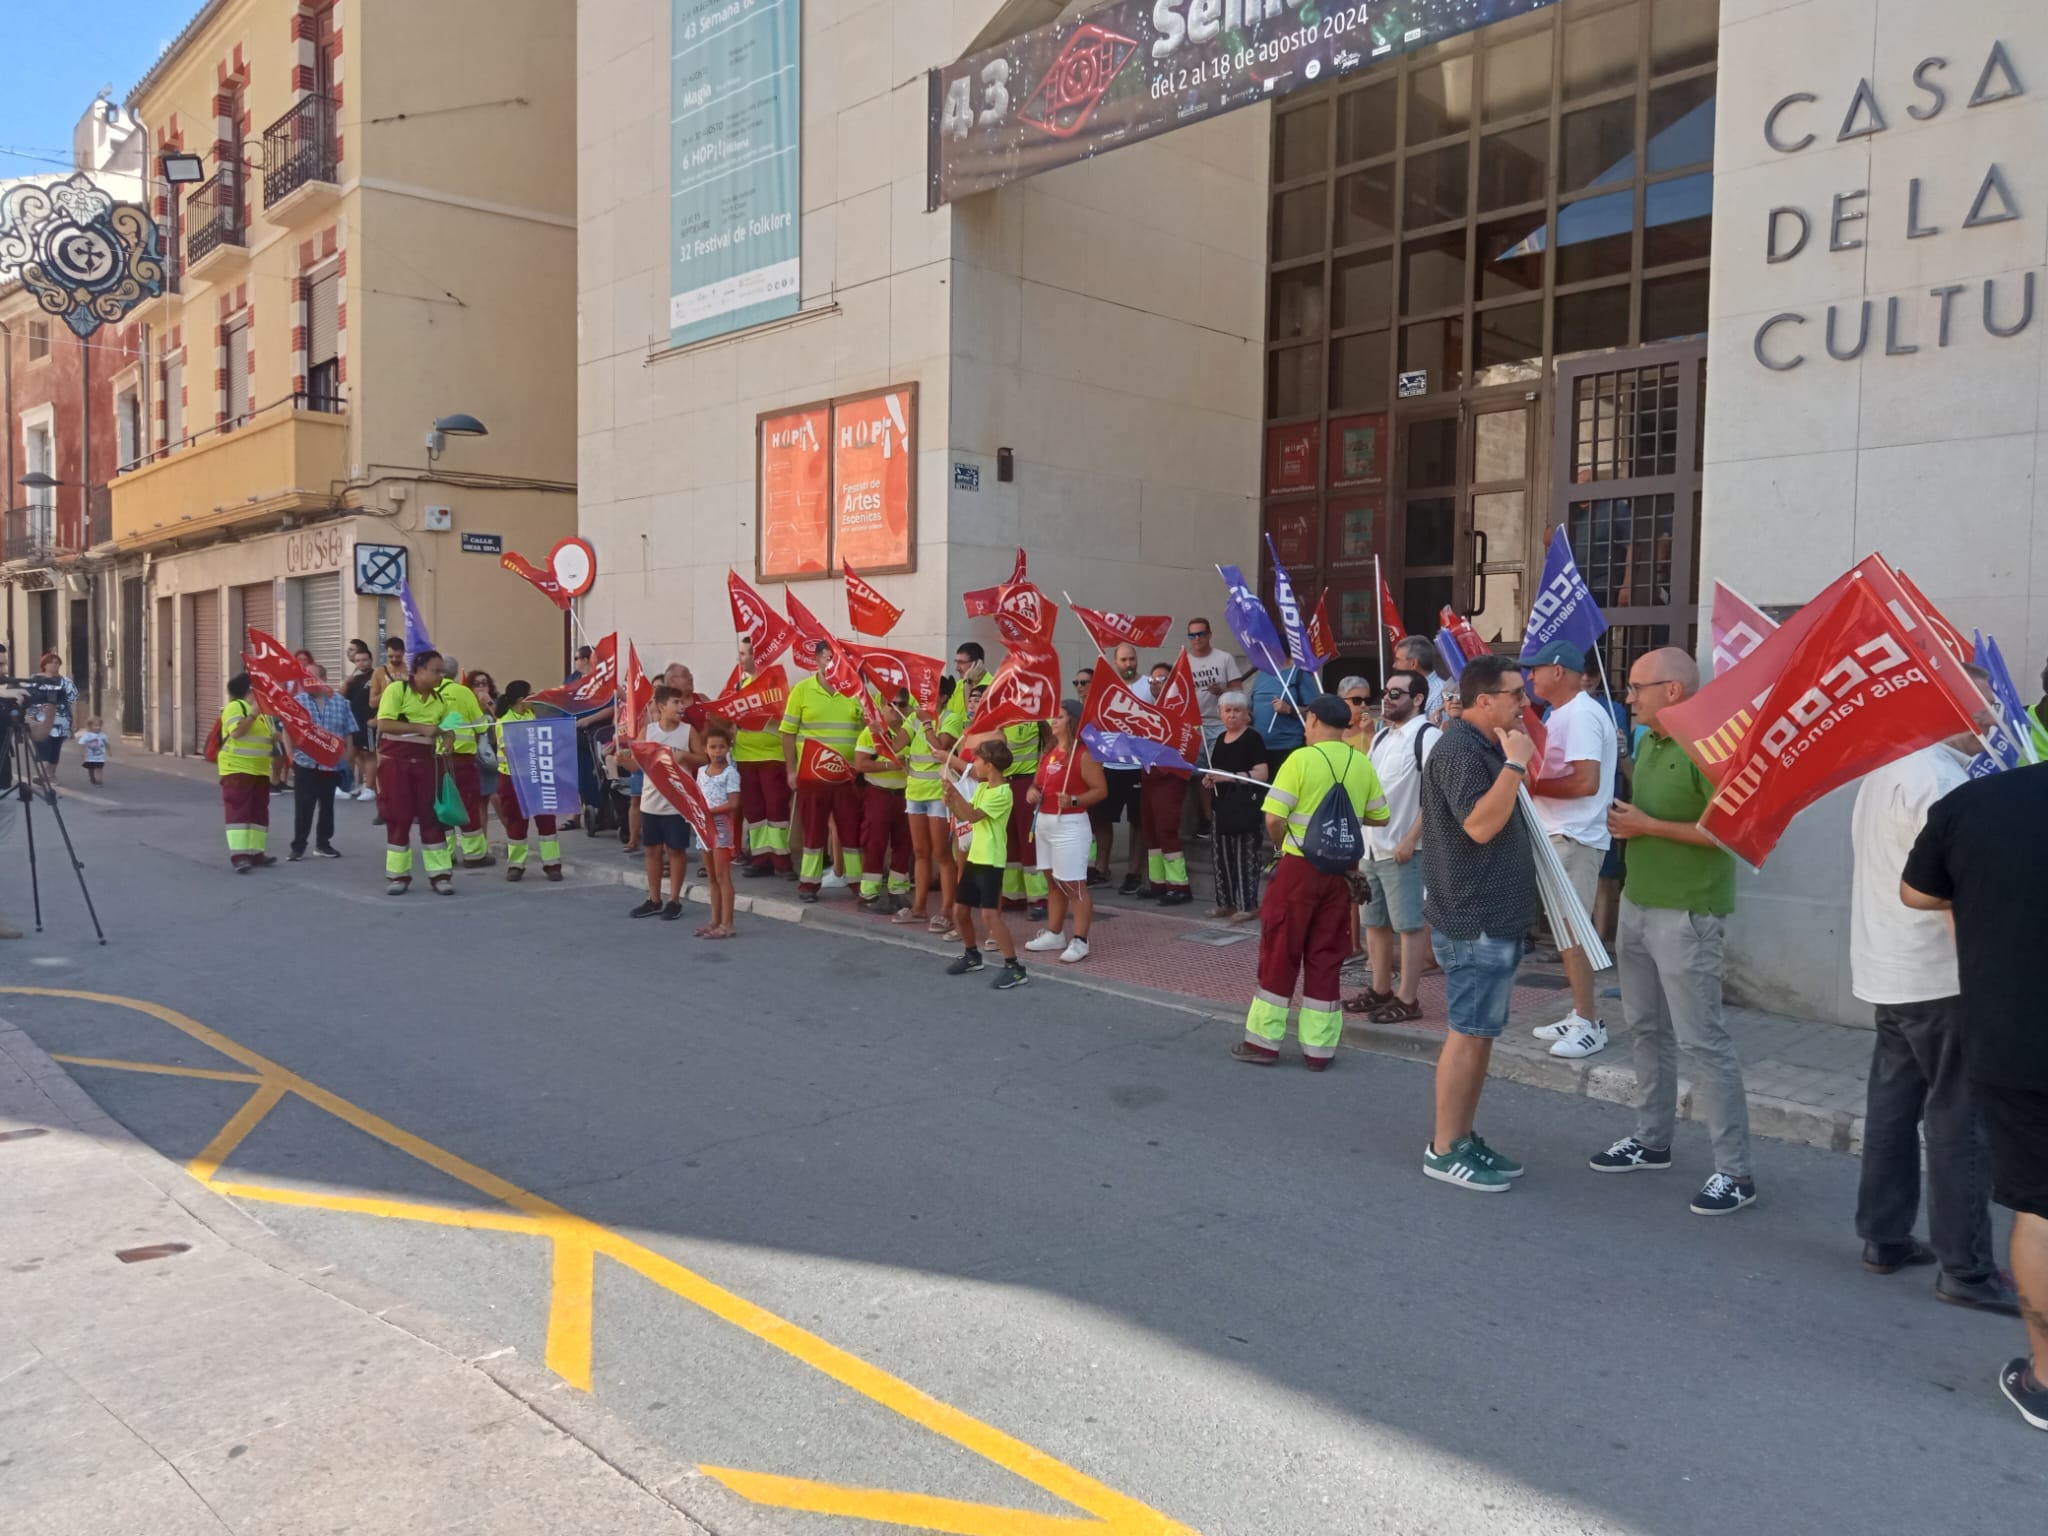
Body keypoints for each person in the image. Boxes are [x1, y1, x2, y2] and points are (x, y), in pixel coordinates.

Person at [1852, 696, 2017, 1314]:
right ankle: (1966, 1269)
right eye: (1987, 712)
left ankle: (1883, 1237)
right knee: (1958, 1121)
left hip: (1887, 968)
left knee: (1892, 1109)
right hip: (1937, 975)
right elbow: (1951, 889)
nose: (1994, 726)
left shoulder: (1887, 769)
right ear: (1955, 711)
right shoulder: (1943, 781)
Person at [1902, 759, 2048, 1433]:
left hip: (2016, 1035)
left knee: (2038, 1205)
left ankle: (2046, 1377)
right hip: (2017, 1039)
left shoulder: (1976, 802)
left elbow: (1917, 893)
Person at [1591, 648, 1756, 1216]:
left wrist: (1647, 825)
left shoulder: (1714, 747)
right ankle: (1650, 1138)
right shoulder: (1648, 741)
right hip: (1638, 903)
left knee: (1702, 1041)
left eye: (1637, 687)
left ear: (1674, 692)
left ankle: (1734, 1172)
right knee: (1644, 1028)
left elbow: (1730, 831)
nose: (1628, 696)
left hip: (1687, 915)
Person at [1418, 654, 1537, 1191]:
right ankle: (1444, 1148)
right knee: (1466, 1034)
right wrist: (1514, 767)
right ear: (1483, 700)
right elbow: (1481, 826)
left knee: (1480, 1034)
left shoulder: (1484, 746)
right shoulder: (1461, 750)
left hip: (1492, 915)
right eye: (1515, 694)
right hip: (1474, 918)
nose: (1525, 704)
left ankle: (1463, 1138)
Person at [1235, 694, 1387, 1069]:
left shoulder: (1300, 759)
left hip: (1298, 868)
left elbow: (1274, 817)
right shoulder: (1361, 761)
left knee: (1280, 951)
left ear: (1315, 720)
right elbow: (1379, 817)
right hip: (1342, 872)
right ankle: (1319, 1050)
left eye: (1306, 720)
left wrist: (1281, 844)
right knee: (1326, 955)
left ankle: (1264, 1043)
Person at [1520, 640, 1617, 1060]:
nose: (1529, 677)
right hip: (1559, 833)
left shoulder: (1580, 713)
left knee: (1574, 934)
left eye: (1535, 669)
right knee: (1564, 932)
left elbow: (1585, 783)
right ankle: (1580, 1015)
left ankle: (1591, 1024)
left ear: (1558, 671)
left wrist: (1530, 786)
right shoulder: (1558, 713)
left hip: (1575, 836)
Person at [1350, 668, 1438, 1022]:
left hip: (1403, 849)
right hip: (1372, 846)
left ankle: (1408, 998)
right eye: (1386, 692)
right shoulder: (1382, 737)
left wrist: (1411, 839)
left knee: (1410, 926)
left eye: (1397, 693)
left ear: (1417, 699)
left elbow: (1436, 797)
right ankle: (1380, 988)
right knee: (1374, 922)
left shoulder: (1427, 736)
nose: (1387, 698)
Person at [781, 640, 864, 900]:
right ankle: (809, 884)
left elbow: (869, 731)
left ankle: (857, 883)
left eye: (839, 659)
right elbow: (787, 733)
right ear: (816, 659)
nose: (833, 664)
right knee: (813, 831)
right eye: (829, 658)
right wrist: (791, 771)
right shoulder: (802, 691)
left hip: (847, 778)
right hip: (812, 777)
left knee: (851, 831)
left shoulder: (856, 691)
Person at [1024, 699, 1106, 962]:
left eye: (1059, 717)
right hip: (1045, 822)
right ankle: (1054, 932)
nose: (1053, 721)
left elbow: (1100, 791)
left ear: (1072, 722)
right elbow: (1037, 784)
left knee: (1073, 884)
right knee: (1052, 882)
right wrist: (1032, 791)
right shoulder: (1049, 751)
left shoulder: (1083, 754)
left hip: (1070, 825)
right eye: (1054, 717)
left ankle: (1081, 940)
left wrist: (1073, 800)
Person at [942, 737, 1026, 989]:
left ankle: (1014, 967)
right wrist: (951, 801)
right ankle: (971, 955)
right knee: (960, 911)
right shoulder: (982, 788)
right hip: (975, 857)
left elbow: (973, 815)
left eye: (977, 759)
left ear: (989, 765)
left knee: (990, 916)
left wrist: (954, 791)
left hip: (991, 860)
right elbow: (963, 815)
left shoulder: (1003, 793)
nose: (974, 763)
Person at [374, 648, 458, 895]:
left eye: (442, 671)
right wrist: (422, 728)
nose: (440, 676)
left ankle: (440, 875)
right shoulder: (396, 690)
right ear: (418, 671)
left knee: (433, 818)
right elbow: (384, 723)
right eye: (435, 671)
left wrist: (449, 735)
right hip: (395, 763)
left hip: (427, 764)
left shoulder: (440, 699)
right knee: (398, 817)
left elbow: (446, 725)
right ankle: (398, 876)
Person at [631, 685, 695, 920]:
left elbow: (702, 756)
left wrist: (685, 756)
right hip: (651, 801)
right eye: (676, 703)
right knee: (652, 850)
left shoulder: (688, 731)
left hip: (677, 802)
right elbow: (635, 763)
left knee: (676, 850)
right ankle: (654, 898)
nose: (681, 707)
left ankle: (674, 900)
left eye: (681, 703)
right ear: (661, 706)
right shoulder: (648, 731)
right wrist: (623, 757)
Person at [1203, 692, 1268, 922]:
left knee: (1245, 857)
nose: (1231, 715)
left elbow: (1262, 773)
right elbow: (1217, 772)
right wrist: (1210, 779)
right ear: (1220, 714)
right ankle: (1226, 903)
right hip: (1221, 806)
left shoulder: (1252, 738)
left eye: (1236, 710)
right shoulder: (1220, 739)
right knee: (1221, 858)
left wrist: (1229, 777)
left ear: (1246, 714)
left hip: (1245, 807)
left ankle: (1248, 906)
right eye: (1227, 710)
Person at [733, 636, 793, 877]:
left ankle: (781, 860)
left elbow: (783, 716)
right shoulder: (739, 685)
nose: (740, 658)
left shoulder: (775, 683)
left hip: (772, 755)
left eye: (744, 654)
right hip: (745, 755)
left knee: (776, 809)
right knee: (754, 811)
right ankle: (760, 858)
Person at [492, 681, 562, 882]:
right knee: (516, 822)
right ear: (521, 700)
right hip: (513, 778)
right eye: (531, 694)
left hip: (537, 775)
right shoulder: (504, 721)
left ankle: (552, 865)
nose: (535, 696)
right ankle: (516, 865)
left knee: (546, 820)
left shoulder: (531, 715)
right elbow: (512, 750)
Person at [1092, 642, 1148, 892]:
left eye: (1132, 659)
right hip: (1111, 764)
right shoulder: (1106, 688)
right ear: (1115, 662)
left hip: (1139, 765)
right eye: (1123, 660)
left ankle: (1134, 872)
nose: (1128, 664)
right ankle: (1101, 868)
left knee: (1138, 820)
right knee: (1103, 818)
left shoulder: (1149, 686)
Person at [285, 664, 353, 861]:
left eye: (312, 676)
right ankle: (298, 846)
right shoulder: (297, 702)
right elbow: (287, 731)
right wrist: (290, 754)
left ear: (324, 677)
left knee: (327, 805)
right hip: (305, 763)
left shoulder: (340, 702)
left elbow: (348, 731)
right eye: (305, 677)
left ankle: (323, 844)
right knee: (304, 805)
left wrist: (347, 757)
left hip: (331, 764)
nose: (308, 681)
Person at [852, 693, 914, 914]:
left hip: (905, 794)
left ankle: (898, 890)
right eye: (891, 704)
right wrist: (891, 766)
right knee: (875, 843)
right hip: (878, 793)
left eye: (901, 704)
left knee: (903, 844)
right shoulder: (871, 732)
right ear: (881, 705)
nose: (896, 708)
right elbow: (860, 764)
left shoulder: (911, 732)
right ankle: (869, 894)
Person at [1184, 616, 1242, 835]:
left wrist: (1223, 691)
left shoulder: (1224, 658)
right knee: (1200, 775)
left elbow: (1239, 691)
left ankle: (1226, 815)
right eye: (1192, 635)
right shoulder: (1185, 661)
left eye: (1200, 634)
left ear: (1209, 634)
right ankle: (1207, 819)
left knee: (1224, 771)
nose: (1196, 638)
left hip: (1220, 723)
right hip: (1195, 725)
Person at [217, 672, 278, 873]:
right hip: (237, 768)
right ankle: (240, 856)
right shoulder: (235, 707)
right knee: (239, 812)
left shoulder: (264, 713)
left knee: (259, 812)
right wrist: (252, 713)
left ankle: (256, 852)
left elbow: (269, 738)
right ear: (250, 690)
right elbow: (236, 732)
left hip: (260, 769)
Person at [436, 663, 494, 869]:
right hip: (462, 758)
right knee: (469, 804)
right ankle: (474, 854)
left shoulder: (430, 691)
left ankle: (446, 853)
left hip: (437, 758)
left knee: (443, 805)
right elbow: (481, 725)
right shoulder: (463, 692)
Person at [696, 720, 743, 938]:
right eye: (713, 747)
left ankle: (728, 923)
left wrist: (710, 811)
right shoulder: (701, 771)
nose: (717, 751)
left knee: (723, 875)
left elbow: (734, 804)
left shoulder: (730, 773)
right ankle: (714, 920)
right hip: (703, 826)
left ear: (728, 748)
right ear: (705, 749)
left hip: (721, 826)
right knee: (712, 876)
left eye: (722, 747)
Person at [1247, 663, 1317, 772]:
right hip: (1259, 750)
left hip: (1289, 748)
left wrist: (1290, 709)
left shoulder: (1299, 674)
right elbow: (1252, 709)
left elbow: (1316, 714)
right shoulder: (1261, 675)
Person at [23, 652, 76, 788]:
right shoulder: (35, 679)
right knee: (42, 744)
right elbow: (28, 697)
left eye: (57, 662)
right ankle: (42, 774)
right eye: (52, 662)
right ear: (44, 664)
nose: (55, 664)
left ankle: (50, 775)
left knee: (55, 748)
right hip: (40, 719)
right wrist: (37, 708)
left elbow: (73, 697)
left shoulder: (65, 681)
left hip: (61, 720)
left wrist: (58, 704)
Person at [343, 639, 377, 801]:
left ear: (370, 660)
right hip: (353, 722)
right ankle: (351, 785)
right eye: (358, 660)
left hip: (368, 721)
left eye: (364, 660)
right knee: (352, 754)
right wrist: (346, 682)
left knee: (368, 754)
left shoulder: (376, 676)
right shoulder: (354, 679)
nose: (361, 663)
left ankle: (370, 787)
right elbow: (341, 696)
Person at [1395, 634, 1447, 720]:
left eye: (1398, 660)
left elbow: (1439, 732)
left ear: (1413, 663)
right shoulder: (1406, 690)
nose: (1394, 665)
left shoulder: (1438, 694)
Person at [76, 716, 109, 786]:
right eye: (96, 725)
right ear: (90, 726)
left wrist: (109, 751)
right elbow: (81, 744)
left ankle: (99, 781)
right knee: (91, 768)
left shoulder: (103, 735)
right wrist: (82, 752)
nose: (98, 727)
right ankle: (91, 777)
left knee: (99, 768)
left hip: (100, 757)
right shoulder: (87, 735)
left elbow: (107, 743)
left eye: (100, 725)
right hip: (90, 757)